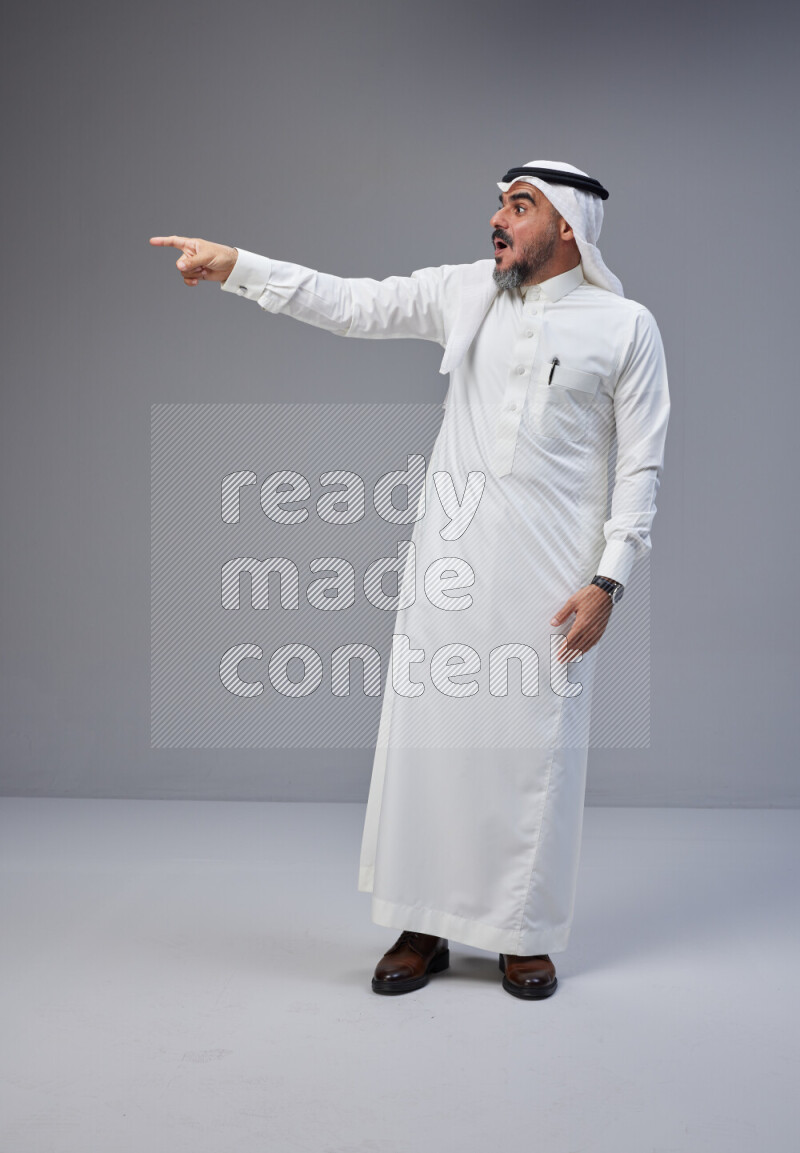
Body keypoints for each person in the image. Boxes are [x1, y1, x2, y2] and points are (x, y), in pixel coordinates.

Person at [150, 159, 670, 1001]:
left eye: (520, 205)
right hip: (450, 568)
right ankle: (422, 924)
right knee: (431, 747)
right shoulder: (465, 292)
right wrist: (237, 266)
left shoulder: (626, 327)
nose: (497, 217)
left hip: (554, 578)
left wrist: (609, 581)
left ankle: (523, 934)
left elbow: (641, 466)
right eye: (499, 202)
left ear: (569, 227)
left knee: (533, 752)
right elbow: (353, 302)